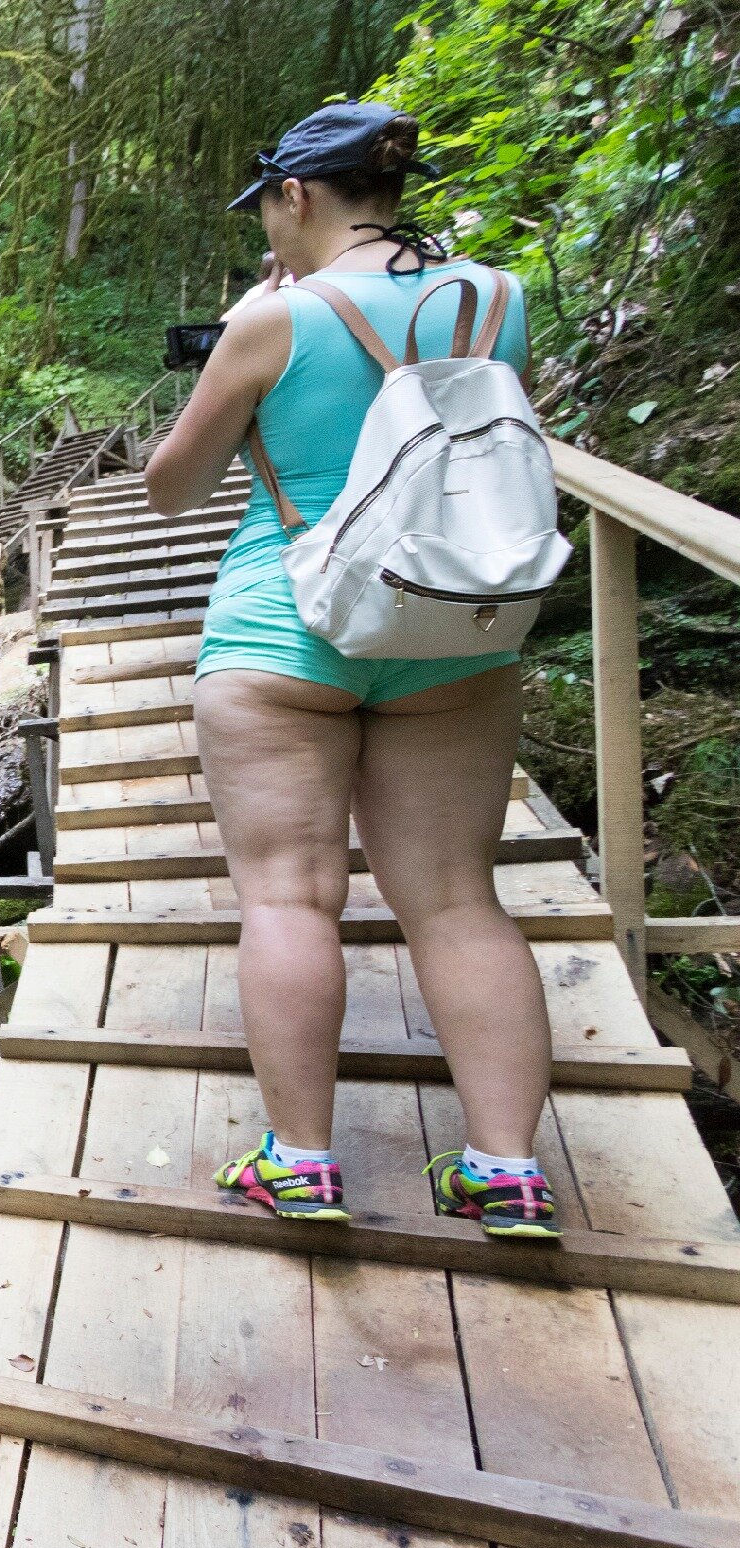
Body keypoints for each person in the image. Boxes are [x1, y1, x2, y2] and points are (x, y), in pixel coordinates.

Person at [143, 101, 560, 1239]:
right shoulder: (496, 300)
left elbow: (168, 487)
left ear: (296, 196)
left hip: (290, 632)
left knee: (288, 896)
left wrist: (245, 336)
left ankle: (304, 1163)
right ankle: (509, 1173)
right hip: (451, 626)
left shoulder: (273, 323)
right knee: (460, 900)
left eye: (268, 211)